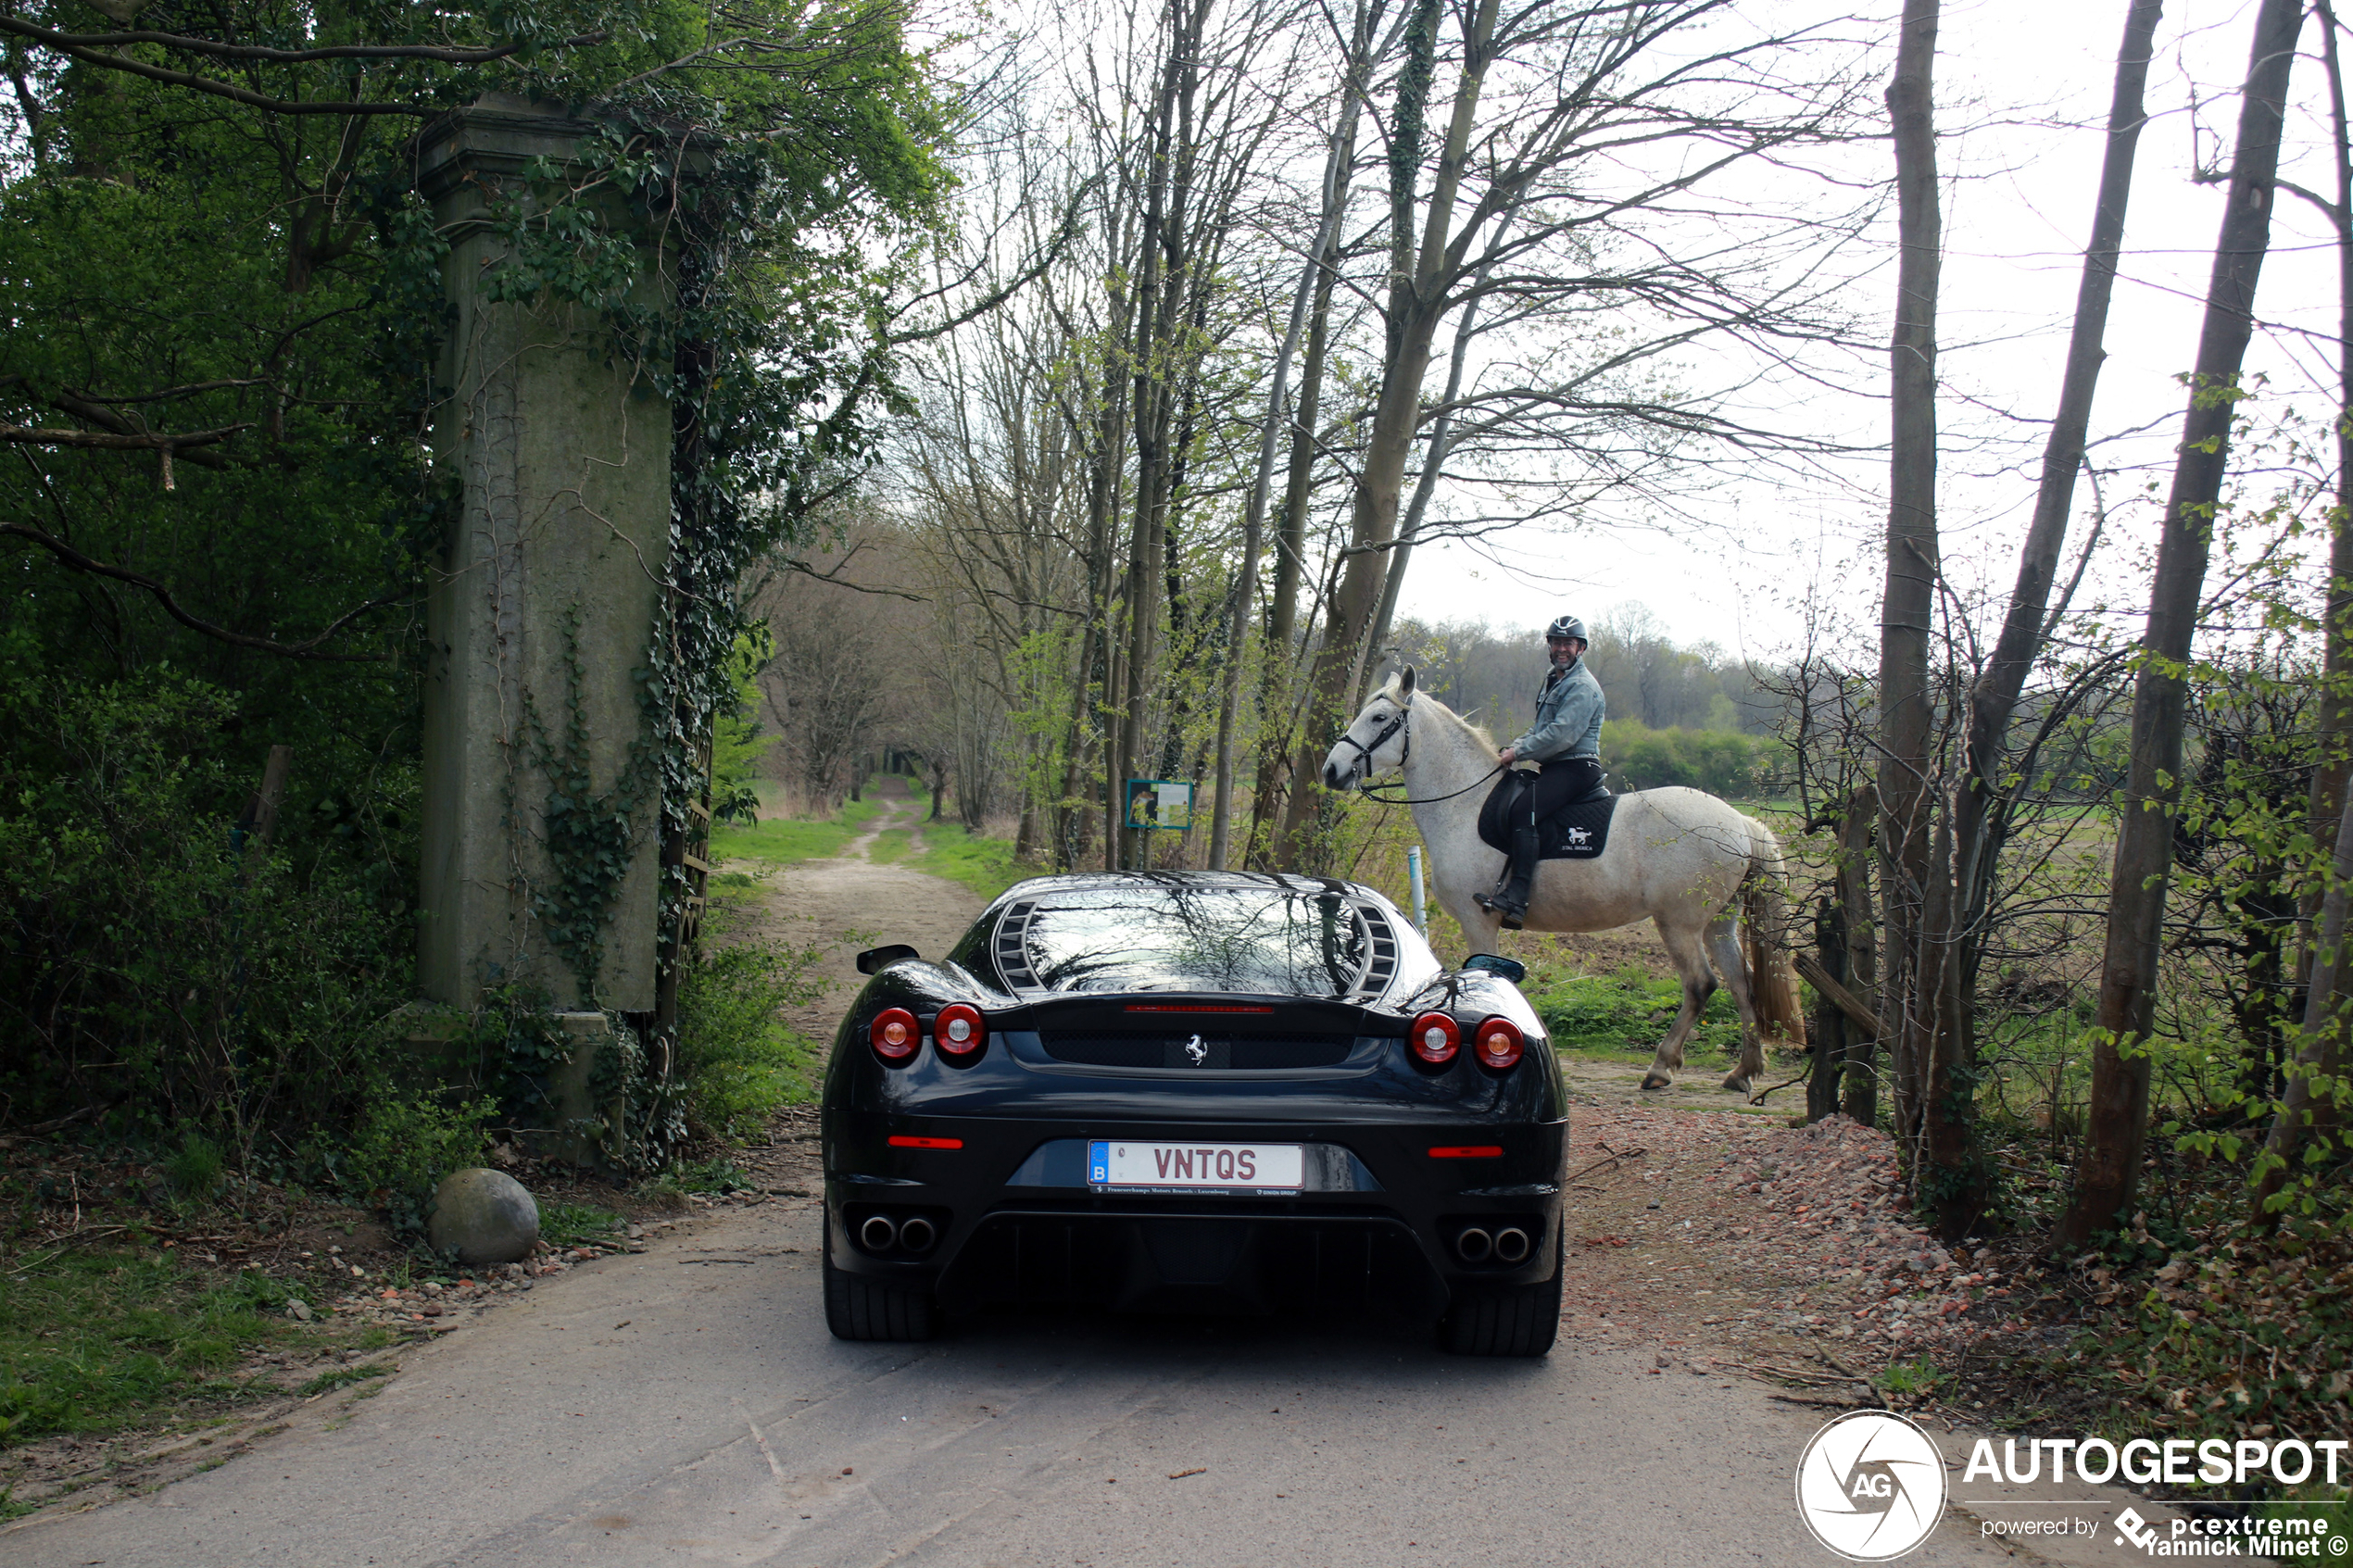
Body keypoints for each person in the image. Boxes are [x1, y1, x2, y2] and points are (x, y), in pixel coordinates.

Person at [1475, 615, 1606, 929]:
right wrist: (1512, 747)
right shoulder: (1555, 680)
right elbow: (1540, 729)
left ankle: (1517, 898)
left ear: (1581, 648)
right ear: (1549, 645)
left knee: (1524, 811)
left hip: (1576, 766)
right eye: (1557, 642)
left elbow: (1562, 736)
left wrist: (1518, 753)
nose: (1562, 648)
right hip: (1556, 765)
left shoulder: (1582, 686)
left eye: (1568, 643)